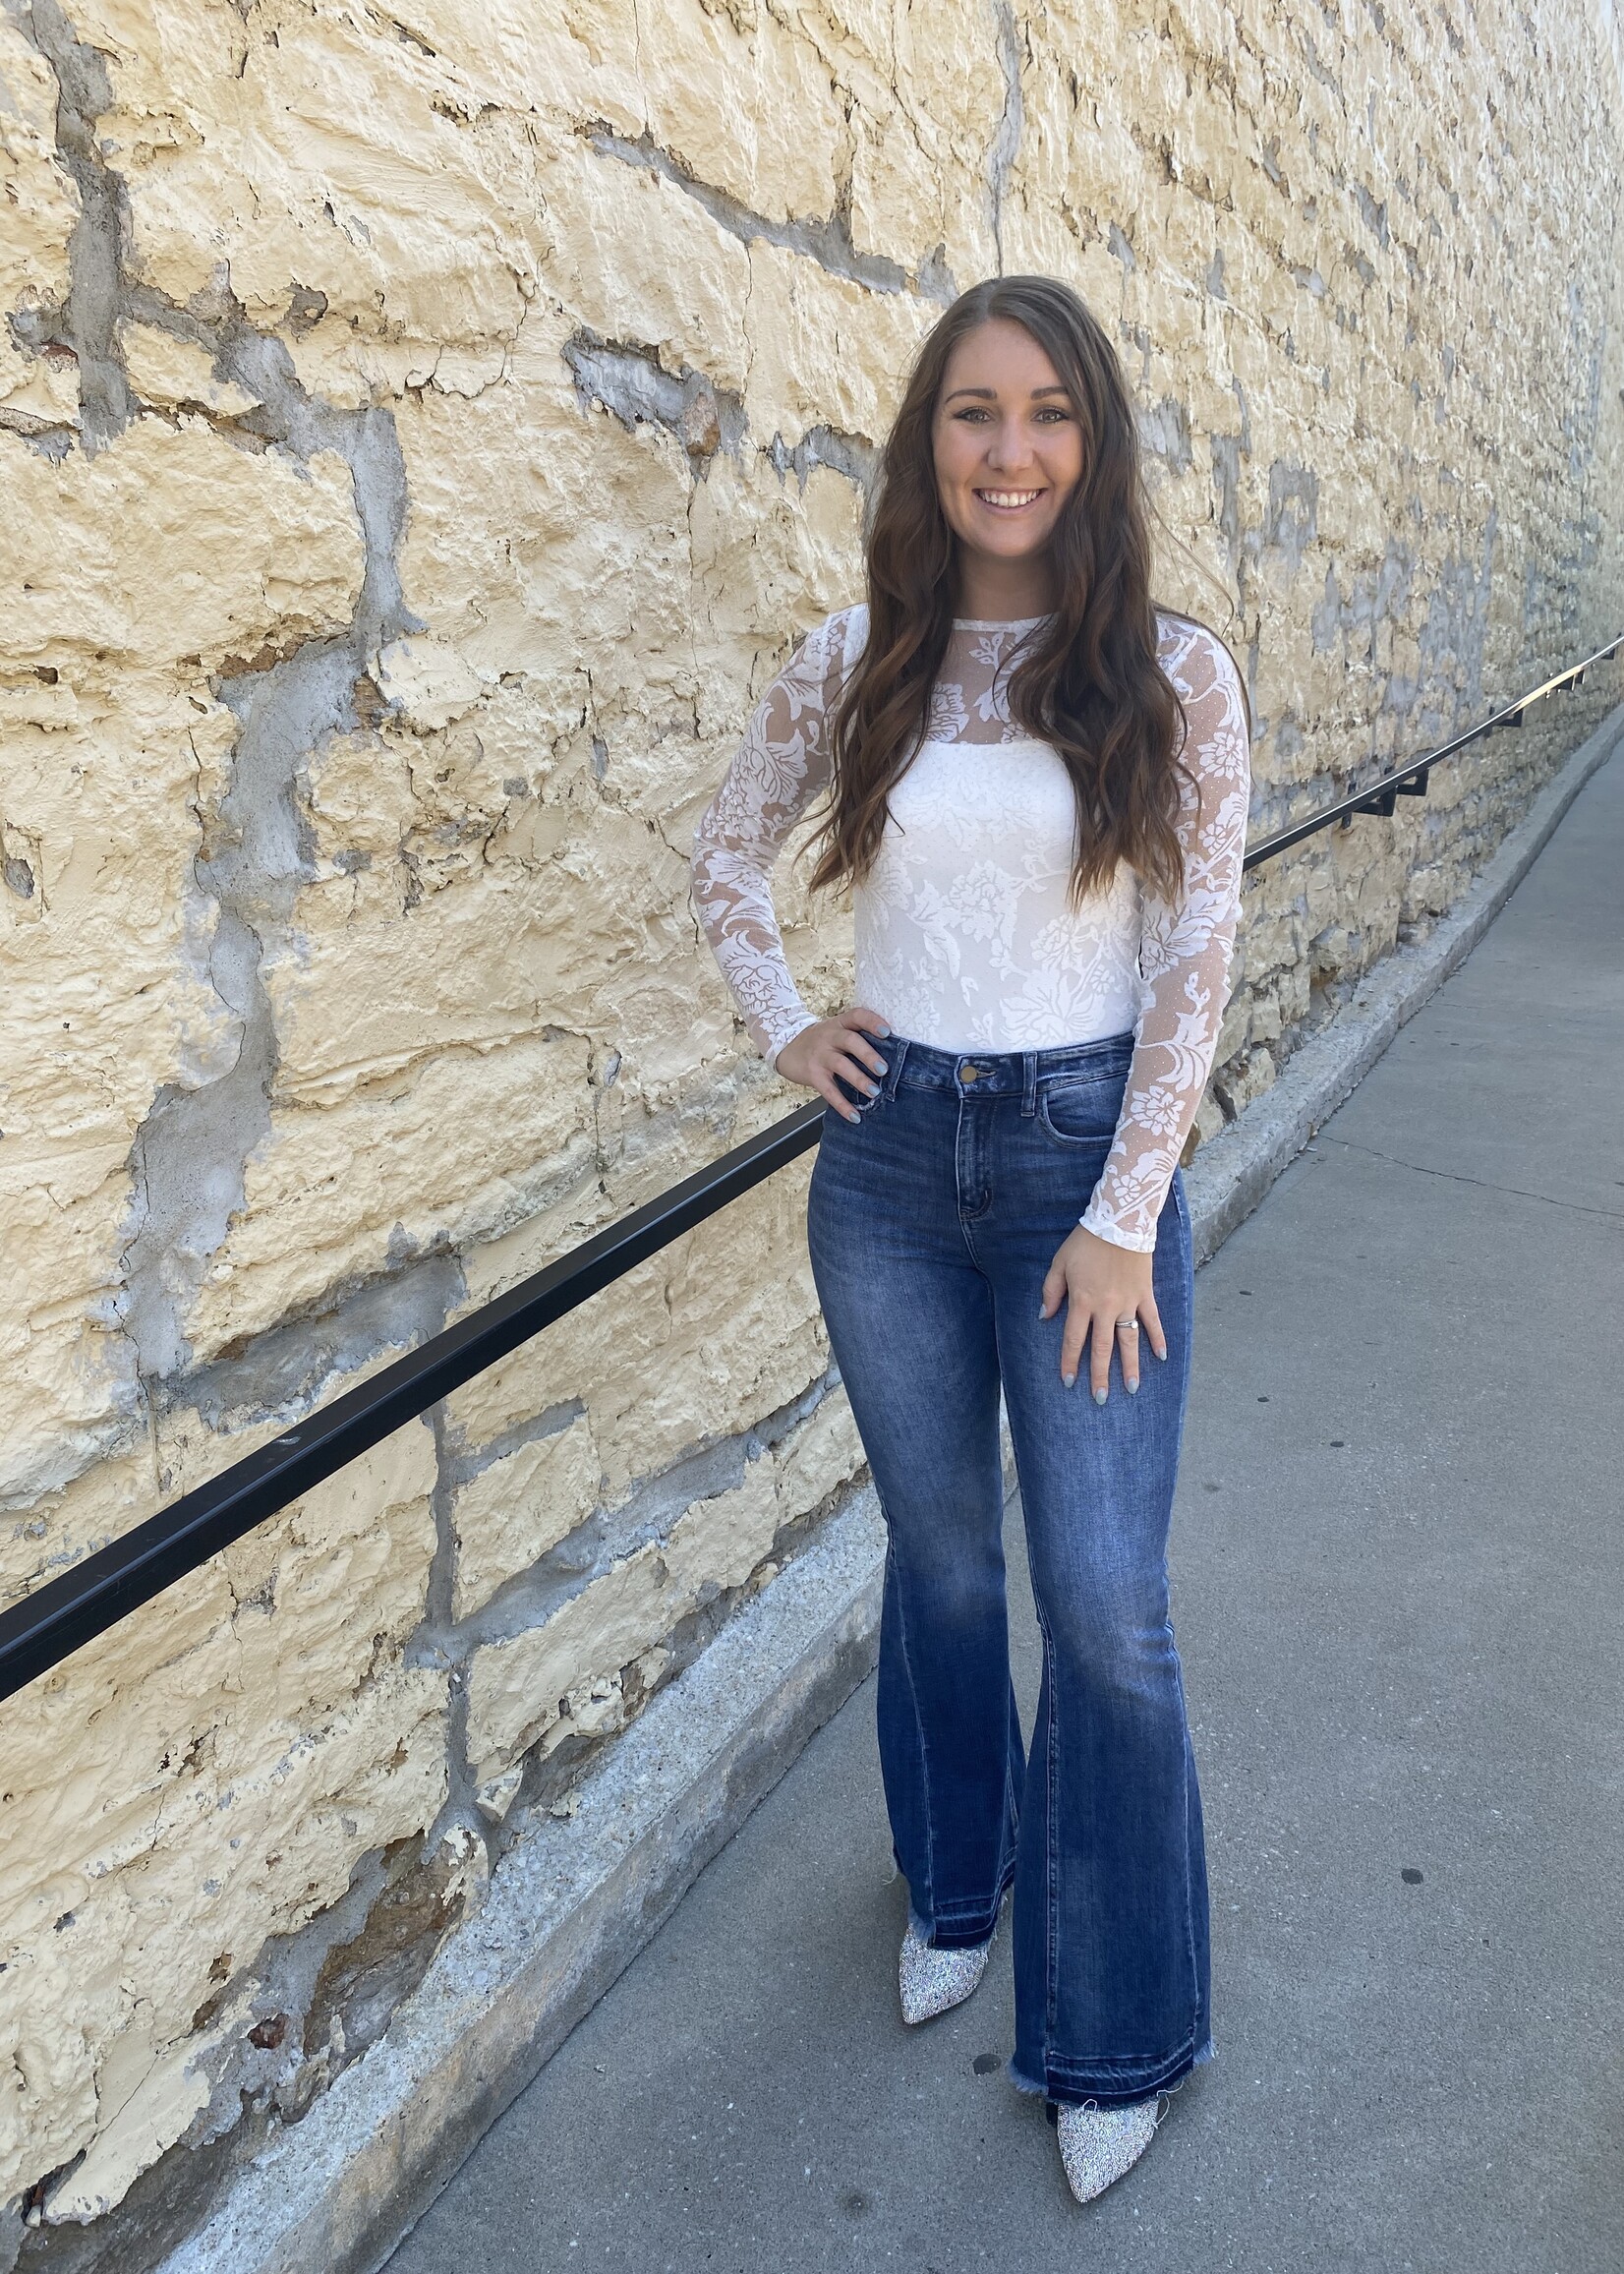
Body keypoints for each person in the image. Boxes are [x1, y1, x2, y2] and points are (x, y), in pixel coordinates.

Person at [690, 274, 1249, 2204]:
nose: (1008, 448)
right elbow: (719, 851)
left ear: (1089, 444)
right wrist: (786, 1022)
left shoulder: (1172, 670)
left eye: (1046, 414)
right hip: (889, 1171)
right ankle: (957, 1876)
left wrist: (1118, 1210)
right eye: (970, 412)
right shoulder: (860, 650)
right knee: (937, 1557)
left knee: (1104, 1602)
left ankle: (1117, 2024)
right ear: (929, 441)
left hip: (1087, 1162)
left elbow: (1193, 960)